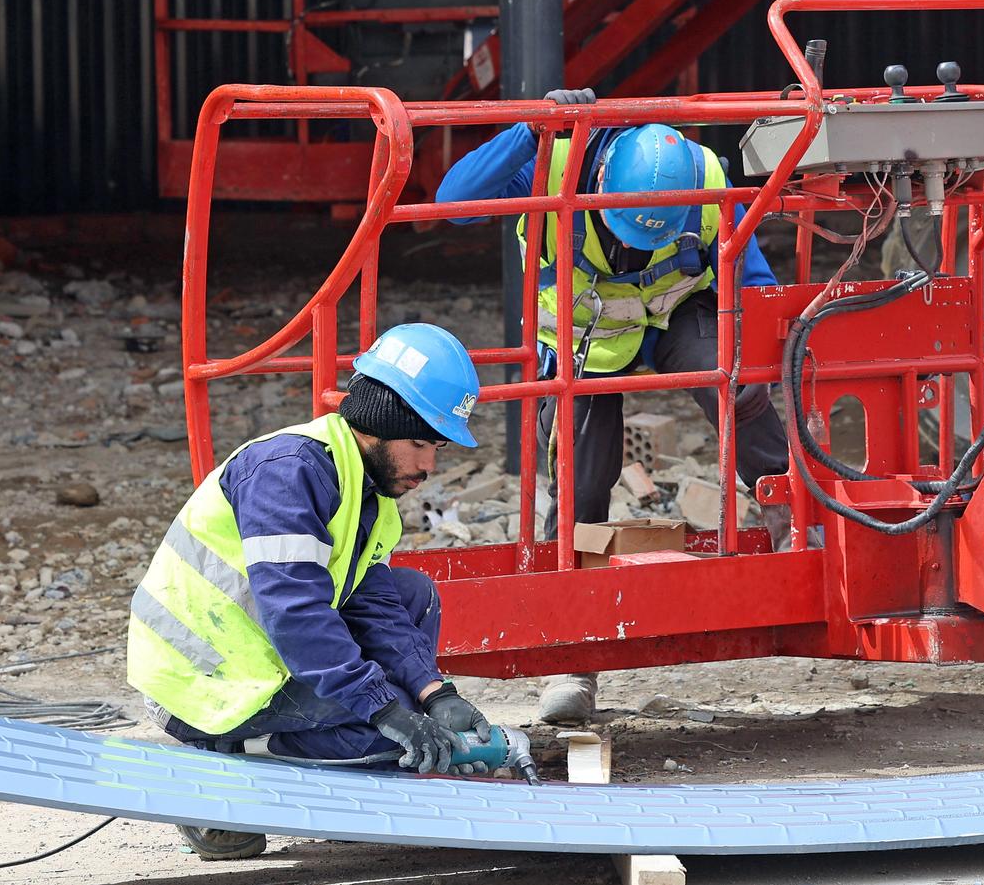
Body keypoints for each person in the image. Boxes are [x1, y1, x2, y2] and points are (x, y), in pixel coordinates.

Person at [434, 89, 796, 725]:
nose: (634, 249)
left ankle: (799, 517)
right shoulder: (552, 165)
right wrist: (531, 130)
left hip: (676, 319)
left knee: (736, 385)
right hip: (584, 341)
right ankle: (572, 651)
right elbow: (451, 203)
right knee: (583, 471)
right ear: (598, 178)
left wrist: (758, 358)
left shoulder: (701, 178)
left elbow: (755, 280)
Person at [128, 324, 493, 861]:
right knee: (389, 742)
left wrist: (432, 694)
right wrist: (384, 708)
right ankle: (224, 772)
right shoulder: (287, 473)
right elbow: (297, 613)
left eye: (435, 447)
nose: (428, 466)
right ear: (378, 423)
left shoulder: (364, 487)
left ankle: (319, 751)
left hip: (263, 661)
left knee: (412, 595)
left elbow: (376, 608)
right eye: (419, 444)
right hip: (205, 688)